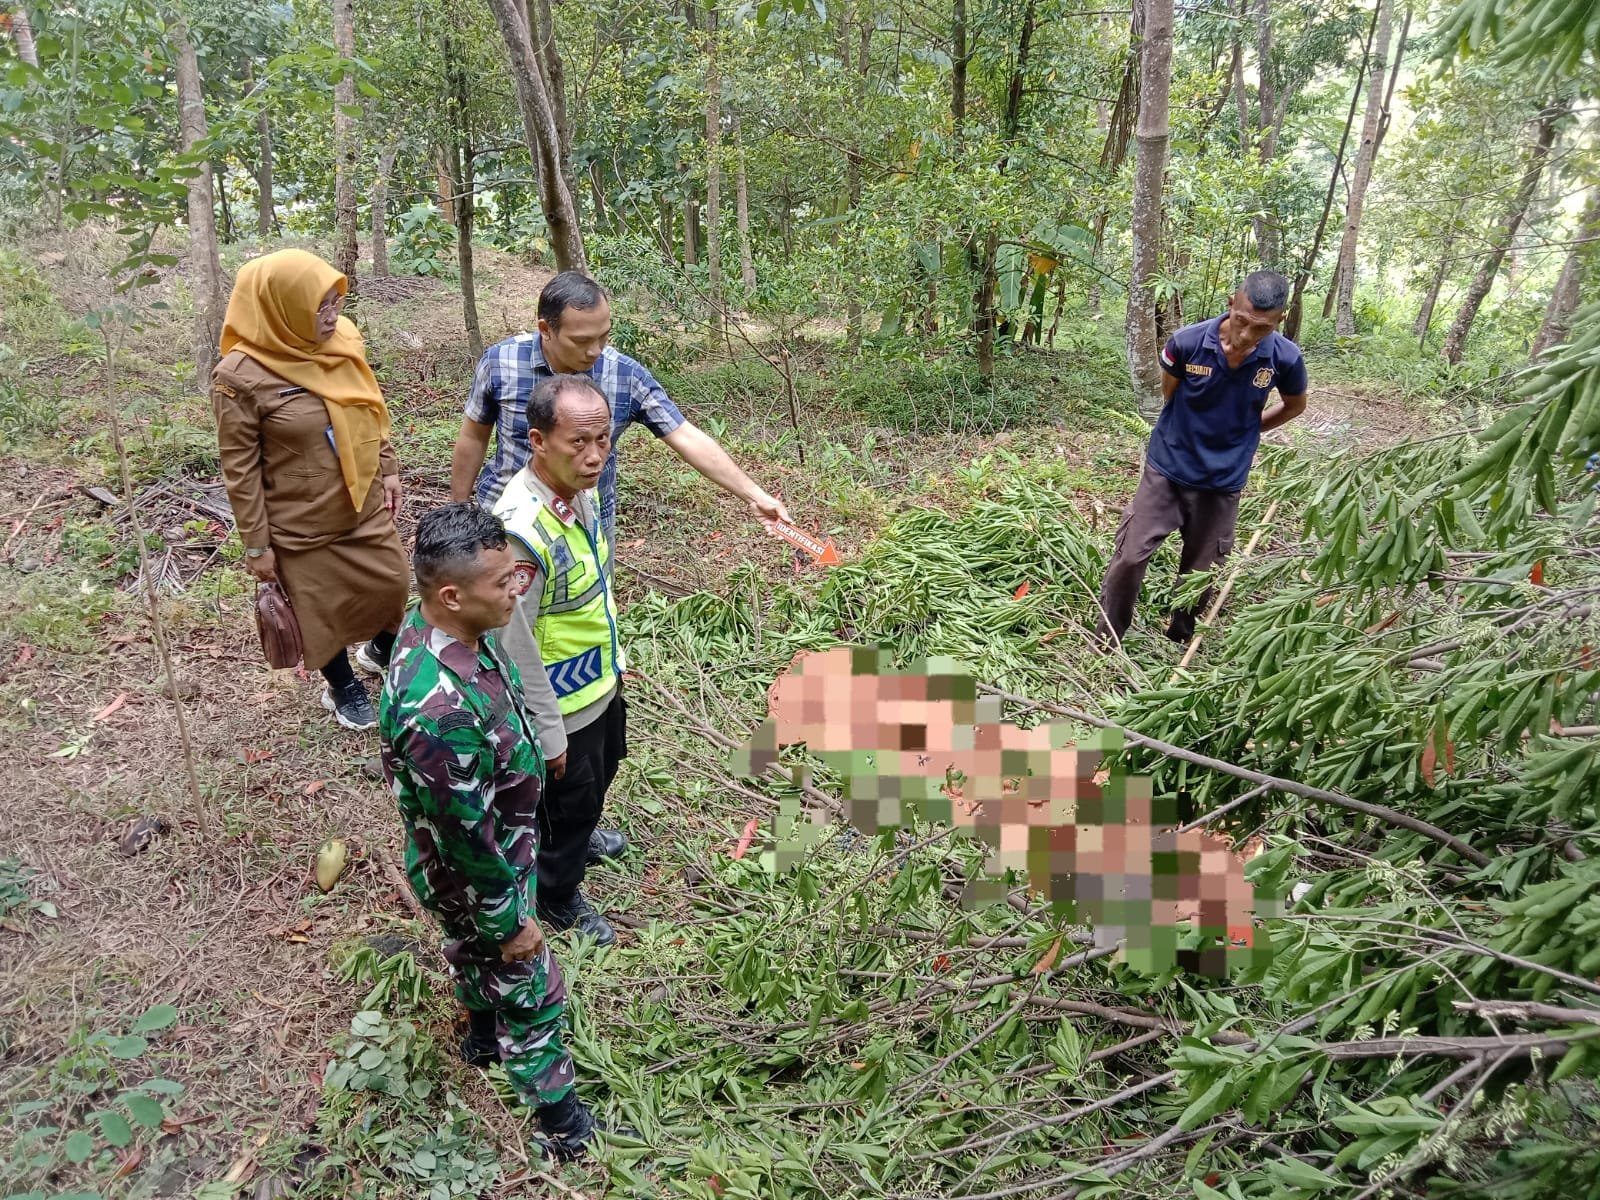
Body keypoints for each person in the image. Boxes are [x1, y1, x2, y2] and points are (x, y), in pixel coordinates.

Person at [379, 503, 601, 1159]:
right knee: (531, 984)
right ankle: (562, 1124)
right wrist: (511, 923)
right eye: (503, 582)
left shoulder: (452, 631)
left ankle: (481, 1035)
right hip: (482, 873)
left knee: (475, 956)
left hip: (494, 852)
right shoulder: (437, 708)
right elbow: (465, 841)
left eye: (516, 576)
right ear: (451, 593)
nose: (516, 590)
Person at [449, 270, 792, 570]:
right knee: (504, 621)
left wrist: (754, 494)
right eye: (582, 340)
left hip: (586, 519)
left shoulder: (623, 374)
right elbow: (474, 436)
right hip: (506, 516)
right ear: (546, 330)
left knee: (586, 615)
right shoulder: (502, 362)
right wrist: (460, 509)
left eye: (604, 336)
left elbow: (684, 435)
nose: (595, 350)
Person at [212, 249, 408, 730]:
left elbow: (367, 406)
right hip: (300, 522)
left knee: (395, 583)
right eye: (319, 307)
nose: (332, 316)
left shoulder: (341, 340)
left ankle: (379, 650)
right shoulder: (239, 378)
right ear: (282, 307)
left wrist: (388, 468)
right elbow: (240, 469)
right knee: (320, 613)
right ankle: (341, 685)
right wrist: (256, 545)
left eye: (335, 302)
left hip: (360, 504)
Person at [1095, 269, 1308, 647]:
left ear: (1279, 319)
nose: (1246, 335)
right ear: (1231, 304)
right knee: (1130, 556)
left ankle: (1180, 638)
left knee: (1201, 573)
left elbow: (1294, 406)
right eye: (1241, 321)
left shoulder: (1286, 359)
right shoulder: (1187, 343)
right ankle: (1107, 636)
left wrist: (1249, 430)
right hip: (1168, 468)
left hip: (1222, 481)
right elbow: (1170, 394)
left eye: (1261, 328)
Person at [491, 375, 630, 947]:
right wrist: (548, 732)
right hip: (560, 701)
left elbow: (589, 588)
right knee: (567, 800)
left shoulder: (578, 491)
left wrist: (615, 656)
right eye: (579, 442)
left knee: (603, 769)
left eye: (603, 439)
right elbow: (514, 642)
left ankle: (582, 831)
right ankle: (556, 889)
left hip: (599, 679)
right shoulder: (522, 531)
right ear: (538, 440)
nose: (595, 455)